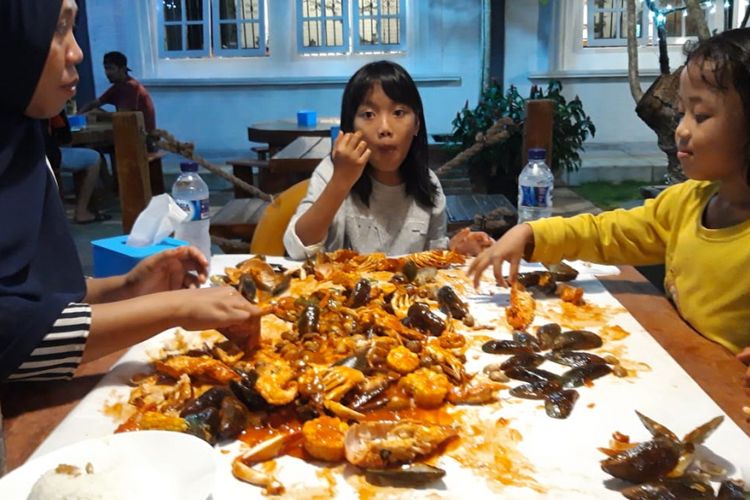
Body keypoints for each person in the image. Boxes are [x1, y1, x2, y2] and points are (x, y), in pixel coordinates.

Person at [467, 28, 750, 383]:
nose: (682, 130)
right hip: (681, 374)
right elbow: (608, 232)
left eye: (702, 116)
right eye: (682, 113)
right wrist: (530, 231)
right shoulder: (687, 201)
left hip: (730, 403)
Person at [0, 0, 261, 383]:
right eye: (58, 28)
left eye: (74, 28)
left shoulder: (23, 143)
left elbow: (37, 296)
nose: (77, 52)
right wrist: (174, 308)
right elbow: (10, 335)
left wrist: (126, 288)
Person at [283, 60, 492, 259]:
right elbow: (297, 248)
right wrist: (341, 180)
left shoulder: (427, 184)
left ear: (417, 124)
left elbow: (432, 259)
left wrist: (455, 250)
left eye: (399, 112)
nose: (384, 128)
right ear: (350, 127)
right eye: (368, 114)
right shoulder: (332, 171)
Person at [44, 110, 110, 223]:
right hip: (49, 157)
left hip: (32, 158)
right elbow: (66, 137)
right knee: (94, 158)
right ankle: (82, 211)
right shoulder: (51, 107)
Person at [79, 50, 156, 147]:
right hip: (131, 133)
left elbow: (123, 116)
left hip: (144, 139)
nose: (107, 73)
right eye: (106, 69)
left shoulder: (130, 86)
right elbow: (93, 104)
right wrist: (77, 116)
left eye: (111, 69)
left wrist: (98, 114)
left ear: (122, 69)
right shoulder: (118, 86)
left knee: (91, 146)